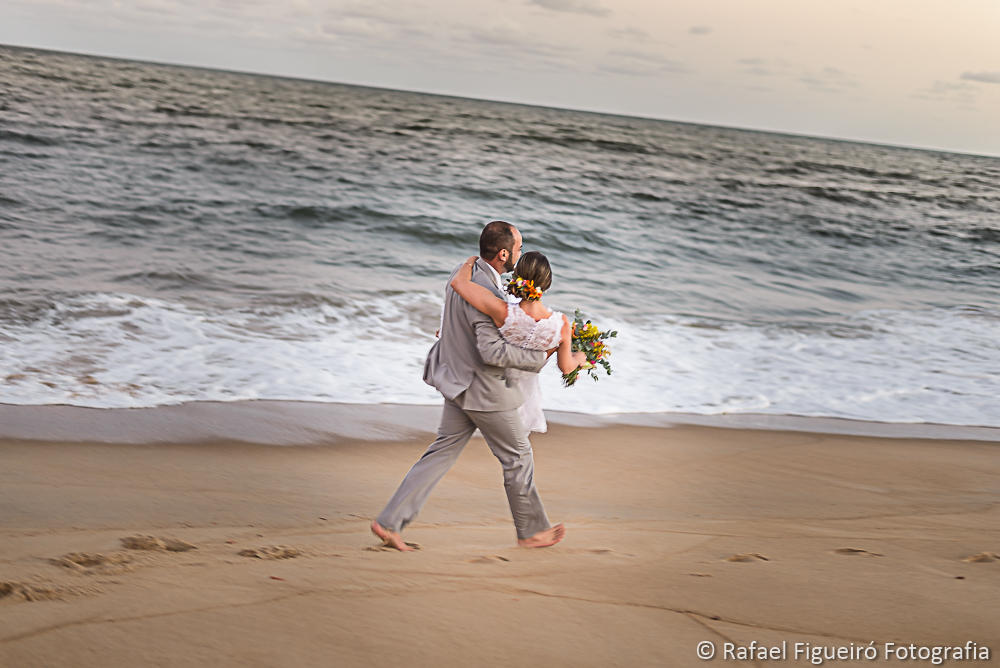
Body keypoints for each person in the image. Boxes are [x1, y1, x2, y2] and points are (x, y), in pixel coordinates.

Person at [371, 221, 568, 551]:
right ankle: (531, 531)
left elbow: (452, 319)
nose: (519, 256)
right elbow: (491, 352)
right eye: (518, 249)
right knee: (518, 457)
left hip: (455, 380)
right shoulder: (487, 292)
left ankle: (390, 522)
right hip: (483, 389)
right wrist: (540, 357)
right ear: (504, 253)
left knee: (440, 453)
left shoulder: (463, 272)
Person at [450, 251, 586, 433]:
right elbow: (566, 367)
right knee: (516, 452)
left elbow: (459, 283)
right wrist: (581, 357)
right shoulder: (560, 324)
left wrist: (471, 261)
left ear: (517, 277)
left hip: (491, 390)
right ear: (547, 283)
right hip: (526, 398)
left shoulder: (504, 312)